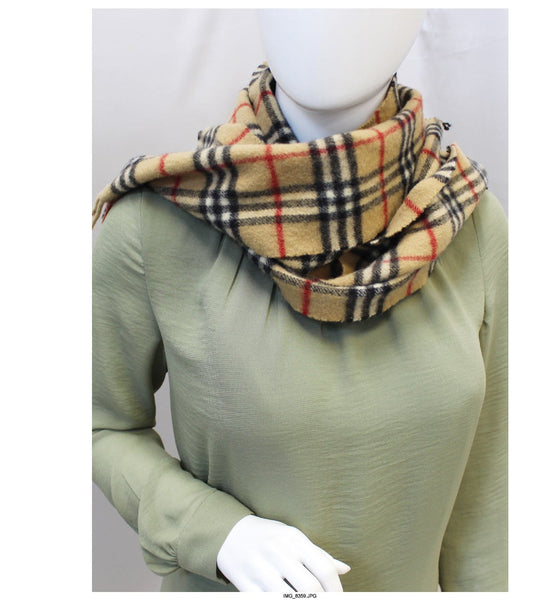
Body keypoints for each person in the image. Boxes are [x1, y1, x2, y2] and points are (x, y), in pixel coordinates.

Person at [92, 9, 507, 592]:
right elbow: (97, 425)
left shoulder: (466, 220)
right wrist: (215, 533)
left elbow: (490, 488)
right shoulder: (157, 223)